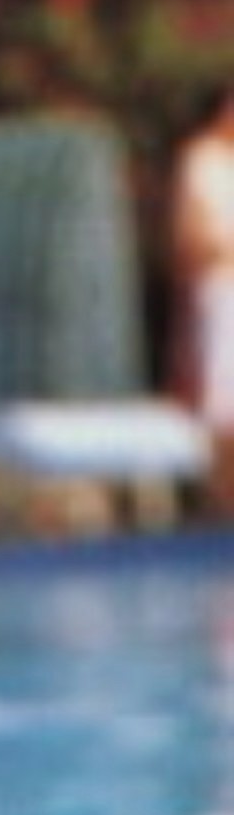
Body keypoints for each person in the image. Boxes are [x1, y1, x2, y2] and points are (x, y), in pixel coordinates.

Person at [174, 98, 234, 518]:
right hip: (220, 291)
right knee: (222, 408)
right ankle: (220, 502)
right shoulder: (203, 161)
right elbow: (191, 236)